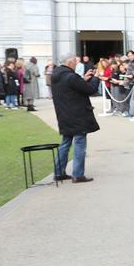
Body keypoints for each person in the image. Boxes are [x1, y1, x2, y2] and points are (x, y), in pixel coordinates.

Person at [49, 56, 98, 184]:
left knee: (65, 143)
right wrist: (96, 78)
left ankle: (59, 173)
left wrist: (83, 79)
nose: (76, 64)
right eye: (75, 62)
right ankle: (78, 174)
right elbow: (90, 90)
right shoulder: (71, 76)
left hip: (64, 115)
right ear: (70, 63)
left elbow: (73, 88)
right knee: (80, 144)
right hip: (77, 115)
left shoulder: (57, 76)